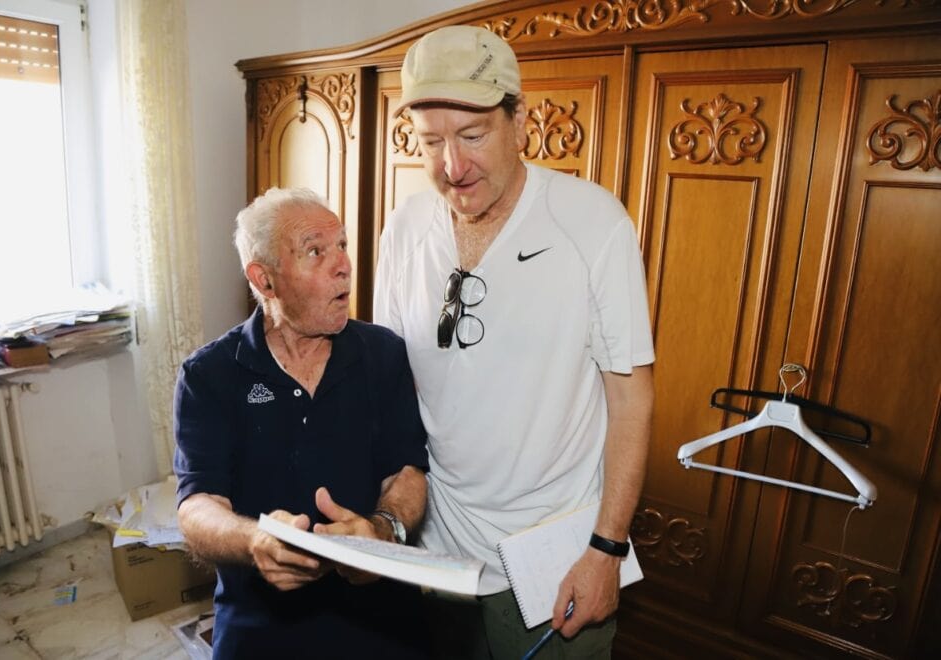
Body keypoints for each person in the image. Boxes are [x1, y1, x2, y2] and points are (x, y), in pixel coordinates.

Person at [373, 25, 655, 659]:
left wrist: (606, 549)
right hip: (435, 553)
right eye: (432, 142)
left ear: (519, 119)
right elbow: (393, 383)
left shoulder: (593, 222)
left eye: (473, 136)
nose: (453, 166)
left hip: (554, 558)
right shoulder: (406, 226)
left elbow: (631, 399)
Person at [174, 187, 430, 659]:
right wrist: (255, 540)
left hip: (381, 617)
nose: (343, 265)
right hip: (261, 624)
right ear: (264, 280)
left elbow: (407, 472)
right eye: (316, 251)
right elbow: (198, 507)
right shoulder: (209, 375)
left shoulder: (384, 355)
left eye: (342, 246)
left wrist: (382, 529)